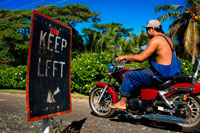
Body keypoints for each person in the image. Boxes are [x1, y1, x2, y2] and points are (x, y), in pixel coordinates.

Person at [109, 20, 181, 110]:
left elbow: (141, 58)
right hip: (171, 72)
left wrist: (123, 57)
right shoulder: (168, 40)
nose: (146, 32)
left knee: (129, 75)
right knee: (142, 72)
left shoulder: (156, 39)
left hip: (160, 74)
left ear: (153, 29)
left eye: (147, 29)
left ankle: (122, 103)